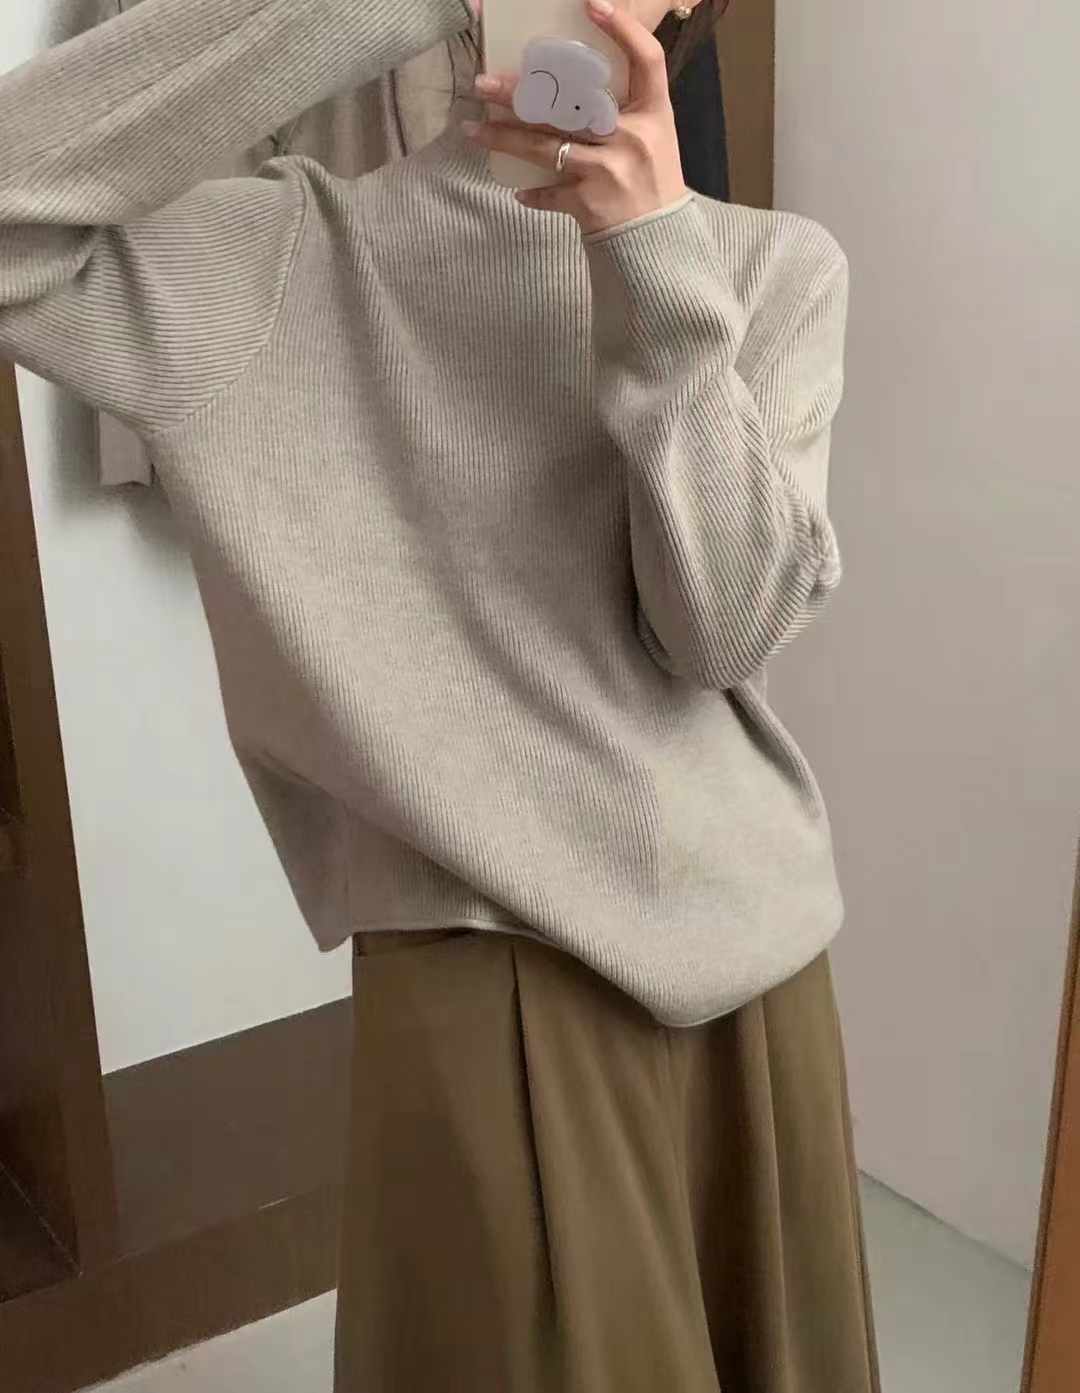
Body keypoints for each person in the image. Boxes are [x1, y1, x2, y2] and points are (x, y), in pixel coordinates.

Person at [0, 0, 880, 1388]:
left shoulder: (771, 271)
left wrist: (652, 264)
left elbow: (720, 631)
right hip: (482, 989)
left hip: (761, 977)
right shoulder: (288, 261)